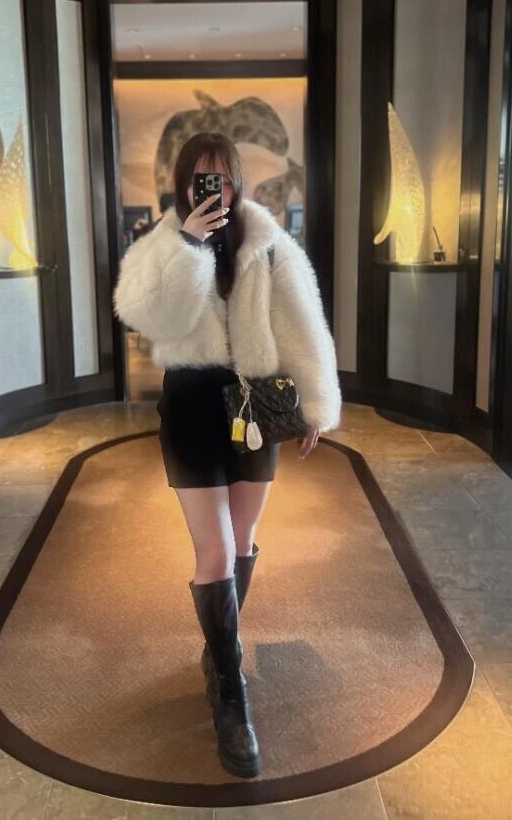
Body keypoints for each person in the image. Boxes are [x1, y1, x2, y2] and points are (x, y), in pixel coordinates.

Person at [113, 132, 342, 779]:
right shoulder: (161, 244)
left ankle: (217, 654)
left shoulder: (268, 243)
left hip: (254, 405)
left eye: (222, 176)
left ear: (238, 181)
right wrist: (188, 247)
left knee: (242, 542)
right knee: (213, 550)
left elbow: (302, 322)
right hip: (191, 404)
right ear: (184, 183)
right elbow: (149, 317)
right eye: (200, 177)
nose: (213, 188)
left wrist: (316, 403)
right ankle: (232, 695)